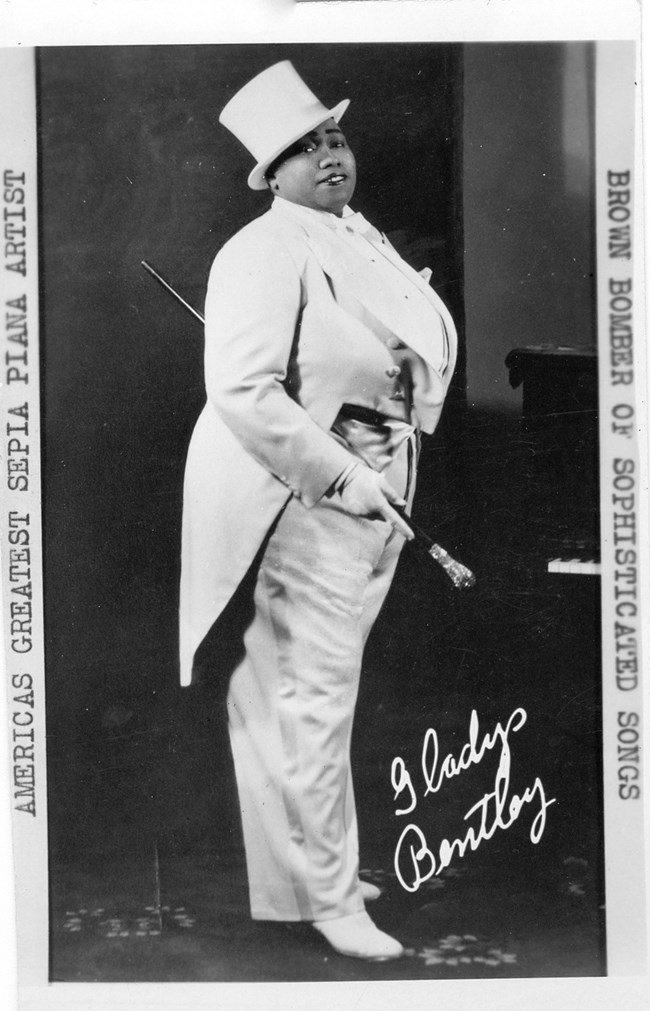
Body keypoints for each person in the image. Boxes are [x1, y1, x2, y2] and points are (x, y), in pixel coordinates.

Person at [179, 61, 457, 960]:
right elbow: (244, 390)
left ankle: (315, 871)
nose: (328, 155)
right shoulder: (262, 250)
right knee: (302, 694)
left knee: (317, 693)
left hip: (379, 478)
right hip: (304, 492)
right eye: (304, 148)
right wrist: (342, 477)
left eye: (333, 137)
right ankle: (325, 896)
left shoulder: (350, 232)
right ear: (274, 172)